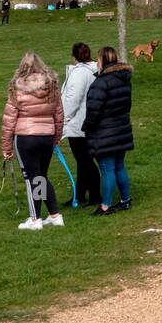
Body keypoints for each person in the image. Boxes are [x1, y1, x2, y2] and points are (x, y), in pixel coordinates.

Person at [0, 52, 65, 231]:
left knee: (32, 178)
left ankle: (35, 219)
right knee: (40, 176)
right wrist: (57, 137)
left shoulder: (17, 87)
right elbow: (59, 114)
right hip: (47, 135)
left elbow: (9, 119)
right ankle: (54, 215)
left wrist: (6, 147)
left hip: (26, 137)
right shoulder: (52, 85)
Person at [83, 46, 134, 215]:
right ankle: (125, 200)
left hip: (104, 132)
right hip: (121, 128)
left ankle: (105, 205)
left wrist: (87, 127)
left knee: (107, 169)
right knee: (119, 166)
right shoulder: (124, 80)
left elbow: (93, 111)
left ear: (101, 61)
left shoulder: (101, 83)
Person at [61, 42, 101, 209]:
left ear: (74, 56)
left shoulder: (79, 73)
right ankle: (80, 194)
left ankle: (94, 195)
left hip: (78, 123)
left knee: (85, 161)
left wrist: (63, 119)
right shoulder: (94, 70)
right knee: (83, 161)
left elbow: (73, 99)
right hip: (89, 121)